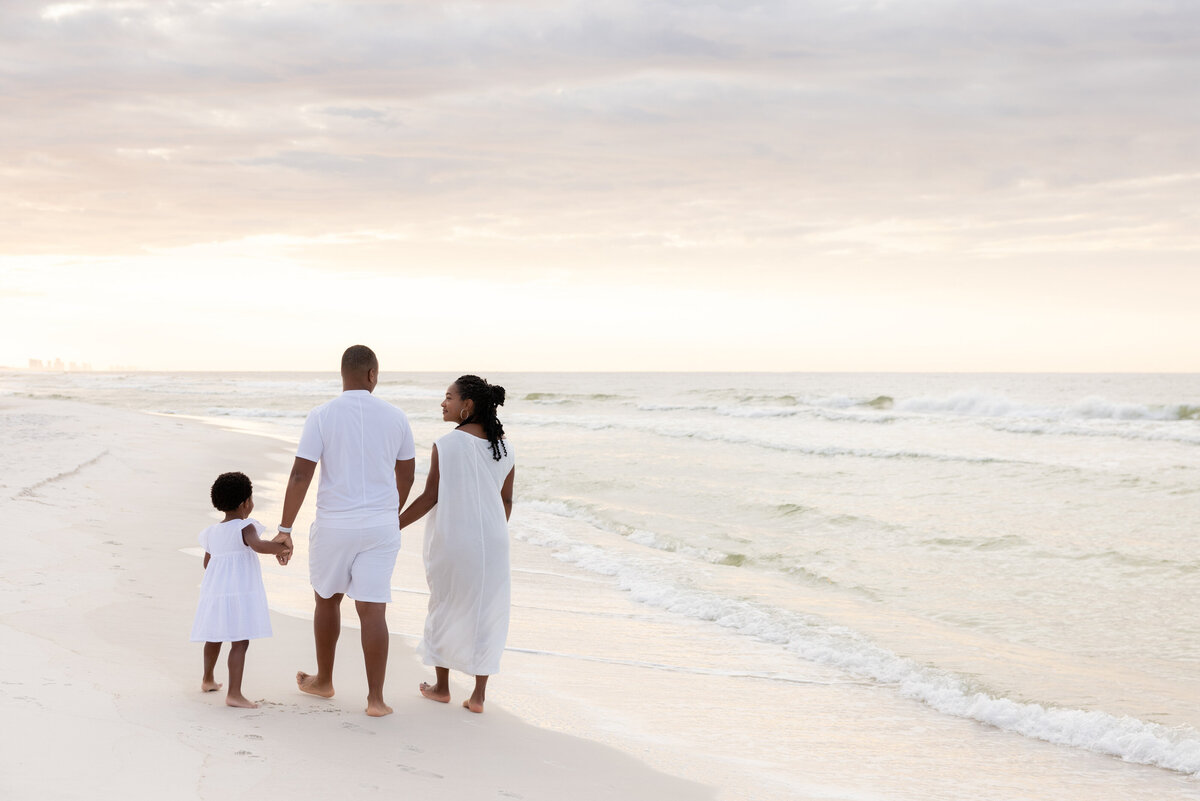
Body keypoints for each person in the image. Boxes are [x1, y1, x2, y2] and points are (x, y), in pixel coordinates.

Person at [274, 345, 416, 717]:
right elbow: (407, 473)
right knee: (372, 610)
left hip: (335, 525)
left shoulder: (322, 415)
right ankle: (376, 700)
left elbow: (301, 473)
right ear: (372, 375)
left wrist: (285, 529)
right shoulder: (397, 417)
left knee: (327, 599)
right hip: (381, 527)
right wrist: (389, 511)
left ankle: (324, 680)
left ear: (343, 375)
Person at [398, 374, 515, 713]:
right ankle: (478, 697)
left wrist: (394, 525)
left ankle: (442, 687)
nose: (443, 403)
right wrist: (488, 533)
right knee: (487, 612)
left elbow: (430, 497)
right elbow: (505, 501)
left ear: (467, 405)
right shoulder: (503, 445)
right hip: (494, 542)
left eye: (448, 397)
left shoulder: (447, 444)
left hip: (454, 541)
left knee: (446, 605)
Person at [190, 471, 292, 709]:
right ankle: (234, 693)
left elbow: (208, 563)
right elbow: (257, 546)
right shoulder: (245, 526)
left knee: (213, 637)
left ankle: (208, 679)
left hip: (215, 592)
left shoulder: (212, 532)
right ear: (246, 502)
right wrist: (280, 548)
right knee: (239, 641)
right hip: (239, 591)